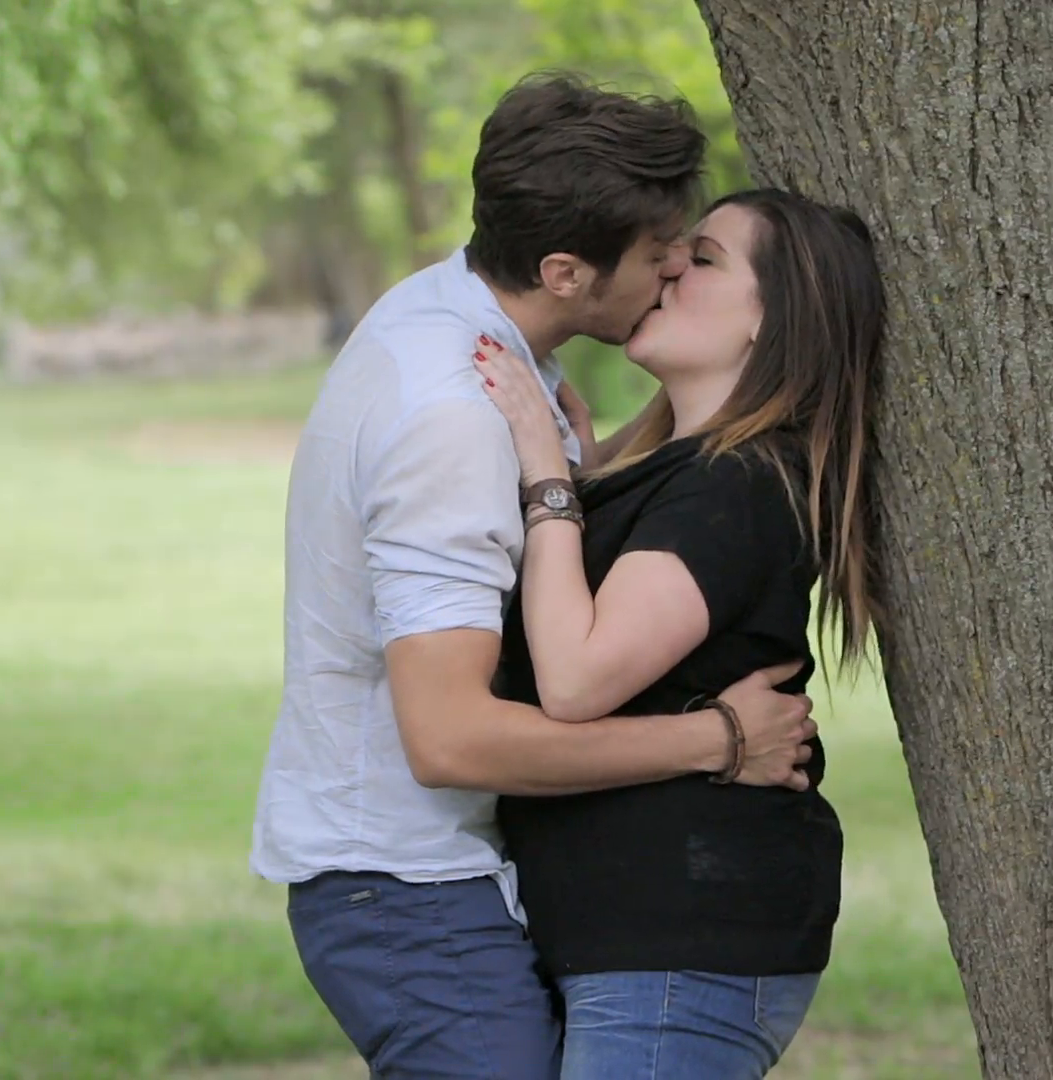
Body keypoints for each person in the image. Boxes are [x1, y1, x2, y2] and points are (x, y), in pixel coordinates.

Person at [250, 72, 820, 1079]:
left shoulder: (464, 334)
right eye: (659, 256)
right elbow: (451, 735)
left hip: (459, 875)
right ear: (564, 270)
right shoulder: (454, 410)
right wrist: (717, 737)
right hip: (404, 882)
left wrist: (576, 475)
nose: (676, 267)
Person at [473, 187, 885, 1078]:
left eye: (702, 261)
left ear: (768, 323)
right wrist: (579, 475)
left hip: (678, 945)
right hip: (636, 937)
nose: (667, 271)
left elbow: (577, 681)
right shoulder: (683, 472)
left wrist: (548, 479)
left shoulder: (738, 485)